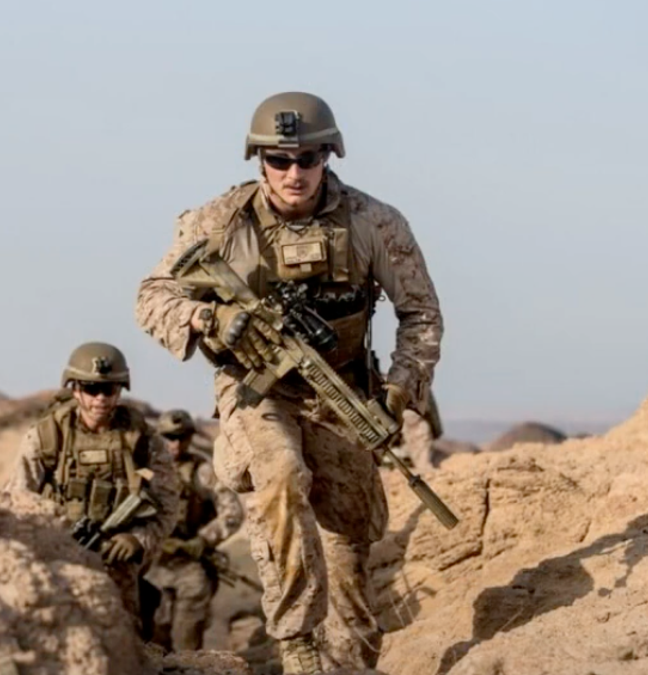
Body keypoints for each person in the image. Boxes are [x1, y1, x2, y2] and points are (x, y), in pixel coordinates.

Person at [134, 92, 443, 673]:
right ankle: (297, 641)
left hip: (342, 392)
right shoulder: (219, 221)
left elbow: (422, 315)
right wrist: (208, 317)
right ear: (259, 161)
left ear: (330, 156)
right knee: (280, 475)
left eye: (307, 158)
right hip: (258, 389)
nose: (294, 173)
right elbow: (152, 295)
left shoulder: (373, 222)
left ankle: (350, 658)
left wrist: (399, 392)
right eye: (279, 161)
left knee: (353, 533)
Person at [4, 342, 180, 627]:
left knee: (122, 635)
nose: (100, 399)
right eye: (90, 389)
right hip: (58, 554)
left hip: (115, 560)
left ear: (120, 390)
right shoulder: (46, 437)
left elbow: (168, 503)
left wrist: (138, 539)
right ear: (74, 389)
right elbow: (16, 502)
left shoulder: (142, 439)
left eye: (109, 390)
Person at [144, 409, 245, 651]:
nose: (176, 444)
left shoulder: (203, 471)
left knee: (186, 643)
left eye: (182, 437)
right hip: (152, 565)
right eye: (169, 437)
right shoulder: (144, 470)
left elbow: (232, 513)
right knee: (152, 644)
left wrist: (202, 540)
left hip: (190, 566)